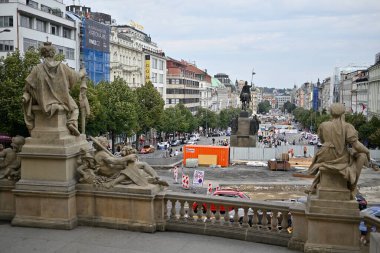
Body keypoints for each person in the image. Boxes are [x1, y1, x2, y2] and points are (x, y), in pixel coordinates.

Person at [22, 41, 86, 136]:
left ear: (42, 54)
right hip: (62, 99)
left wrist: (26, 95)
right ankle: (72, 123)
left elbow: (28, 86)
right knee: (75, 108)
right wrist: (83, 72)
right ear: (54, 53)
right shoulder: (62, 67)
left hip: (43, 103)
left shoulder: (37, 69)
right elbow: (75, 76)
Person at [305, 103, 370, 194]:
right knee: (361, 156)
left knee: (327, 163)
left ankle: (314, 185)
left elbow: (322, 140)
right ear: (343, 113)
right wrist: (367, 151)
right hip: (340, 156)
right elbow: (356, 145)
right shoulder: (347, 126)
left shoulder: (323, 125)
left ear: (331, 113)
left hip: (324, 155)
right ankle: (352, 186)